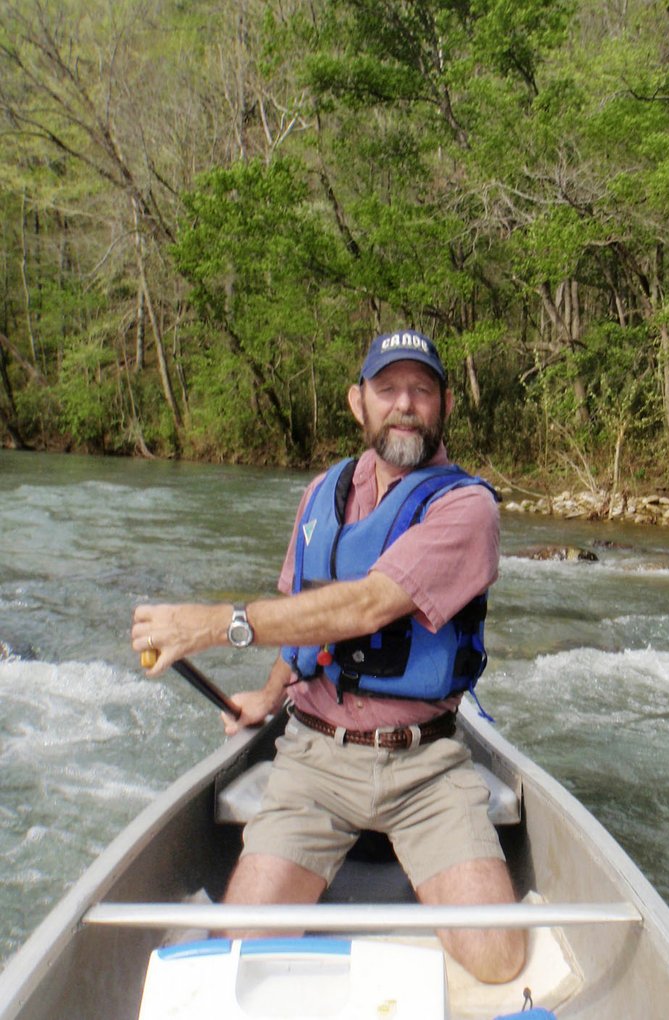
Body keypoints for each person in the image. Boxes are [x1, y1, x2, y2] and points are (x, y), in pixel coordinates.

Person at [131, 329, 526, 983]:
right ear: (357, 403)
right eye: (388, 389)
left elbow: (367, 606)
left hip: (424, 767)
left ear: (444, 406)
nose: (405, 403)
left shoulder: (466, 508)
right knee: (236, 961)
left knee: (499, 961)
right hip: (313, 760)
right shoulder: (322, 493)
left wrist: (216, 624)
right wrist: (268, 694)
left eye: (421, 390)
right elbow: (303, 610)